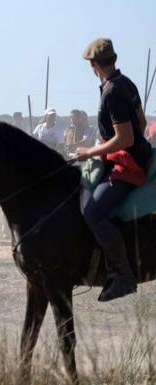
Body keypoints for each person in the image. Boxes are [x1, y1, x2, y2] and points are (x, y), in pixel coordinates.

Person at [76, 38, 151, 301]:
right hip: (128, 156)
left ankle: (124, 276)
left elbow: (127, 138)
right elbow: (141, 122)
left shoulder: (112, 92)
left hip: (128, 164)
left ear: (93, 65)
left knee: (92, 211)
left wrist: (91, 152)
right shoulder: (125, 82)